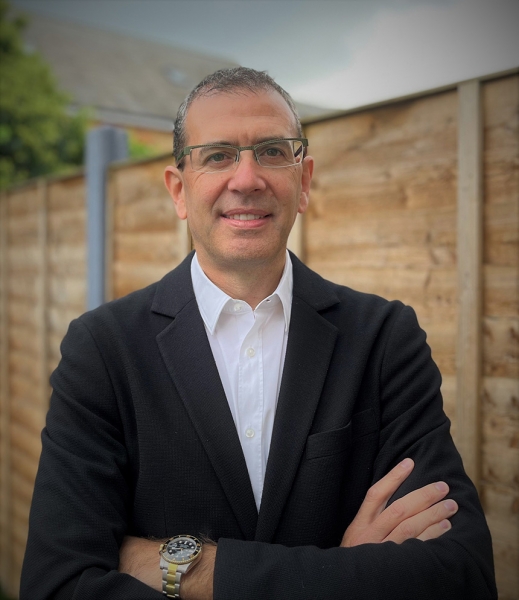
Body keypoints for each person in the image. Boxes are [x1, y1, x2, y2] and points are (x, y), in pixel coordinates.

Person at [21, 67, 496, 600]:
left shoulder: (385, 340)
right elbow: (57, 585)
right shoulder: (102, 351)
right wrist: (343, 571)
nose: (246, 179)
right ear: (179, 190)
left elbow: (463, 574)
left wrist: (189, 570)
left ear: (304, 181)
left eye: (272, 151)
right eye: (217, 155)